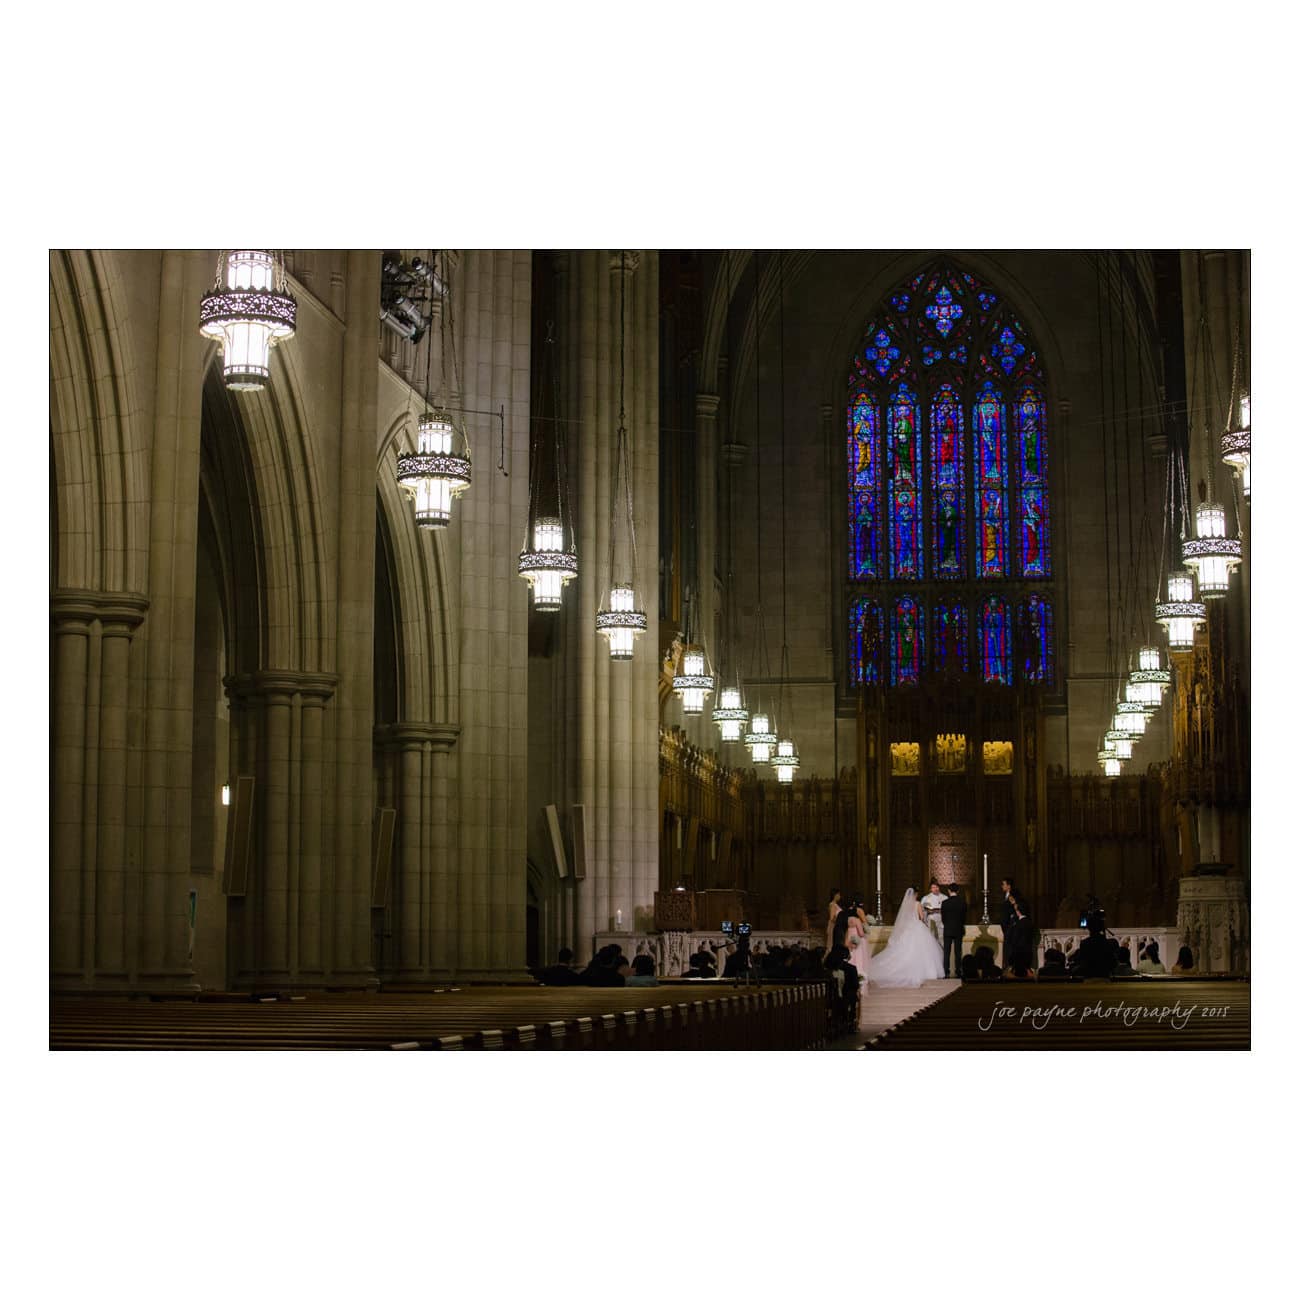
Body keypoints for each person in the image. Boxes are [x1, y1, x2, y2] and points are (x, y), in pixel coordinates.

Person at [867, 887, 946, 987]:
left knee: (905, 950)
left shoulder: (906, 905)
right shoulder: (917, 904)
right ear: (916, 894)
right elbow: (921, 917)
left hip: (908, 929)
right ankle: (924, 971)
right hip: (917, 927)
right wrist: (925, 920)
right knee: (922, 950)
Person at [940, 883, 967, 978]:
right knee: (958, 952)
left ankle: (946, 972)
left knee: (946, 952)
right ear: (958, 891)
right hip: (958, 929)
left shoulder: (944, 903)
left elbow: (943, 918)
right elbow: (964, 918)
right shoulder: (962, 902)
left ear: (948, 891)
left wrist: (947, 924)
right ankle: (958, 972)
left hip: (947, 929)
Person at [846, 901, 870, 988]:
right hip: (856, 940)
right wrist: (865, 933)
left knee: (850, 956)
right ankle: (859, 974)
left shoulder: (847, 920)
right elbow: (860, 933)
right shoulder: (856, 920)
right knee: (858, 958)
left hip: (848, 939)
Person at [826, 888, 843, 953]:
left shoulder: (835, 904)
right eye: (839, 894)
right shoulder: (832, 905)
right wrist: (840, 921)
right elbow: (832, 918)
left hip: (836, 926)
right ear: (835, 895)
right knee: (831, 945)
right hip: (833, 927)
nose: (839, 896)